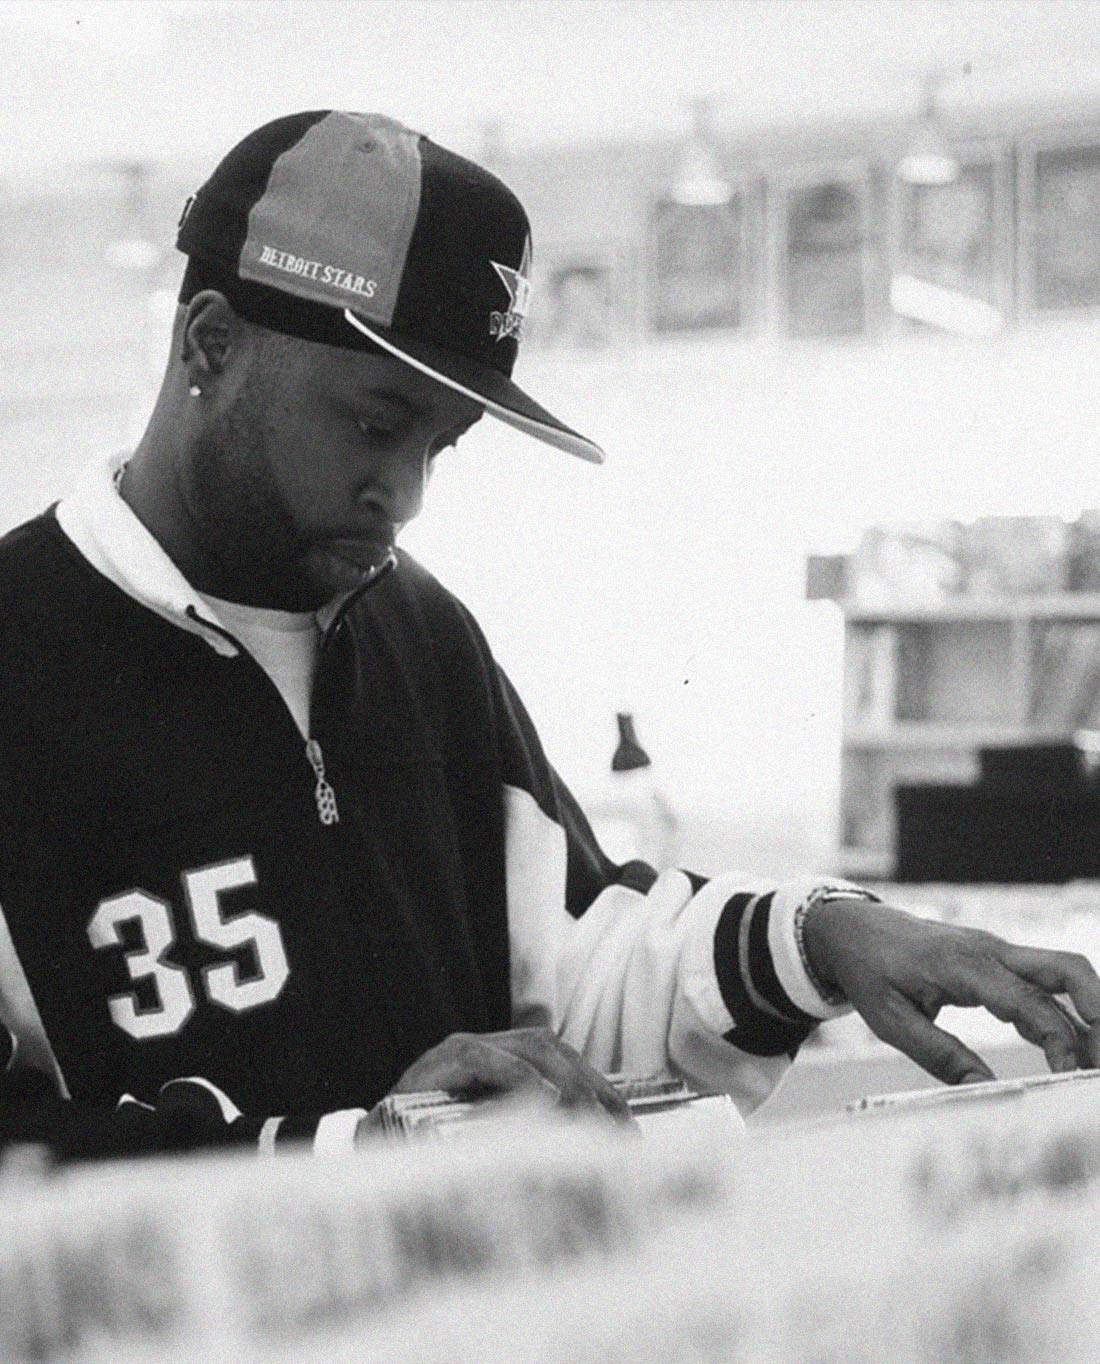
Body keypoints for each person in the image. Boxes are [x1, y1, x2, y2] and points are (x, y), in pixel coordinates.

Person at [0, 110, 1097, 1161]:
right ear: (212, 343)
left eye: (442, 446)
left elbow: (573, 971)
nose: (405, 496)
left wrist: (813, 938)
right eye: (376, 425)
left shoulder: (418, 632)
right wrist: (357, 1153)